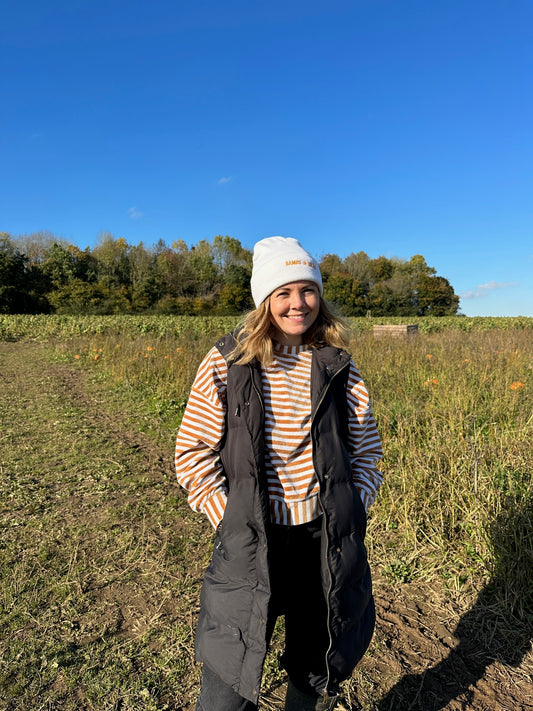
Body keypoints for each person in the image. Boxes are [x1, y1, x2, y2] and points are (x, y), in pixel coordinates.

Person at [175, 236, 383, 711]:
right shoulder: (228, 362)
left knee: (314, 662)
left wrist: (353, 506)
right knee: (229, 673)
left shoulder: (338, 366)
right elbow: (193, 452)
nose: (297, 304)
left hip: (321, 538)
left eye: (307, 290)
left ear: (319, 296)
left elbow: (366, 451)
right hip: (253, 537)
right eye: (283, 292)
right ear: (264, 299)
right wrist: (230, 517)